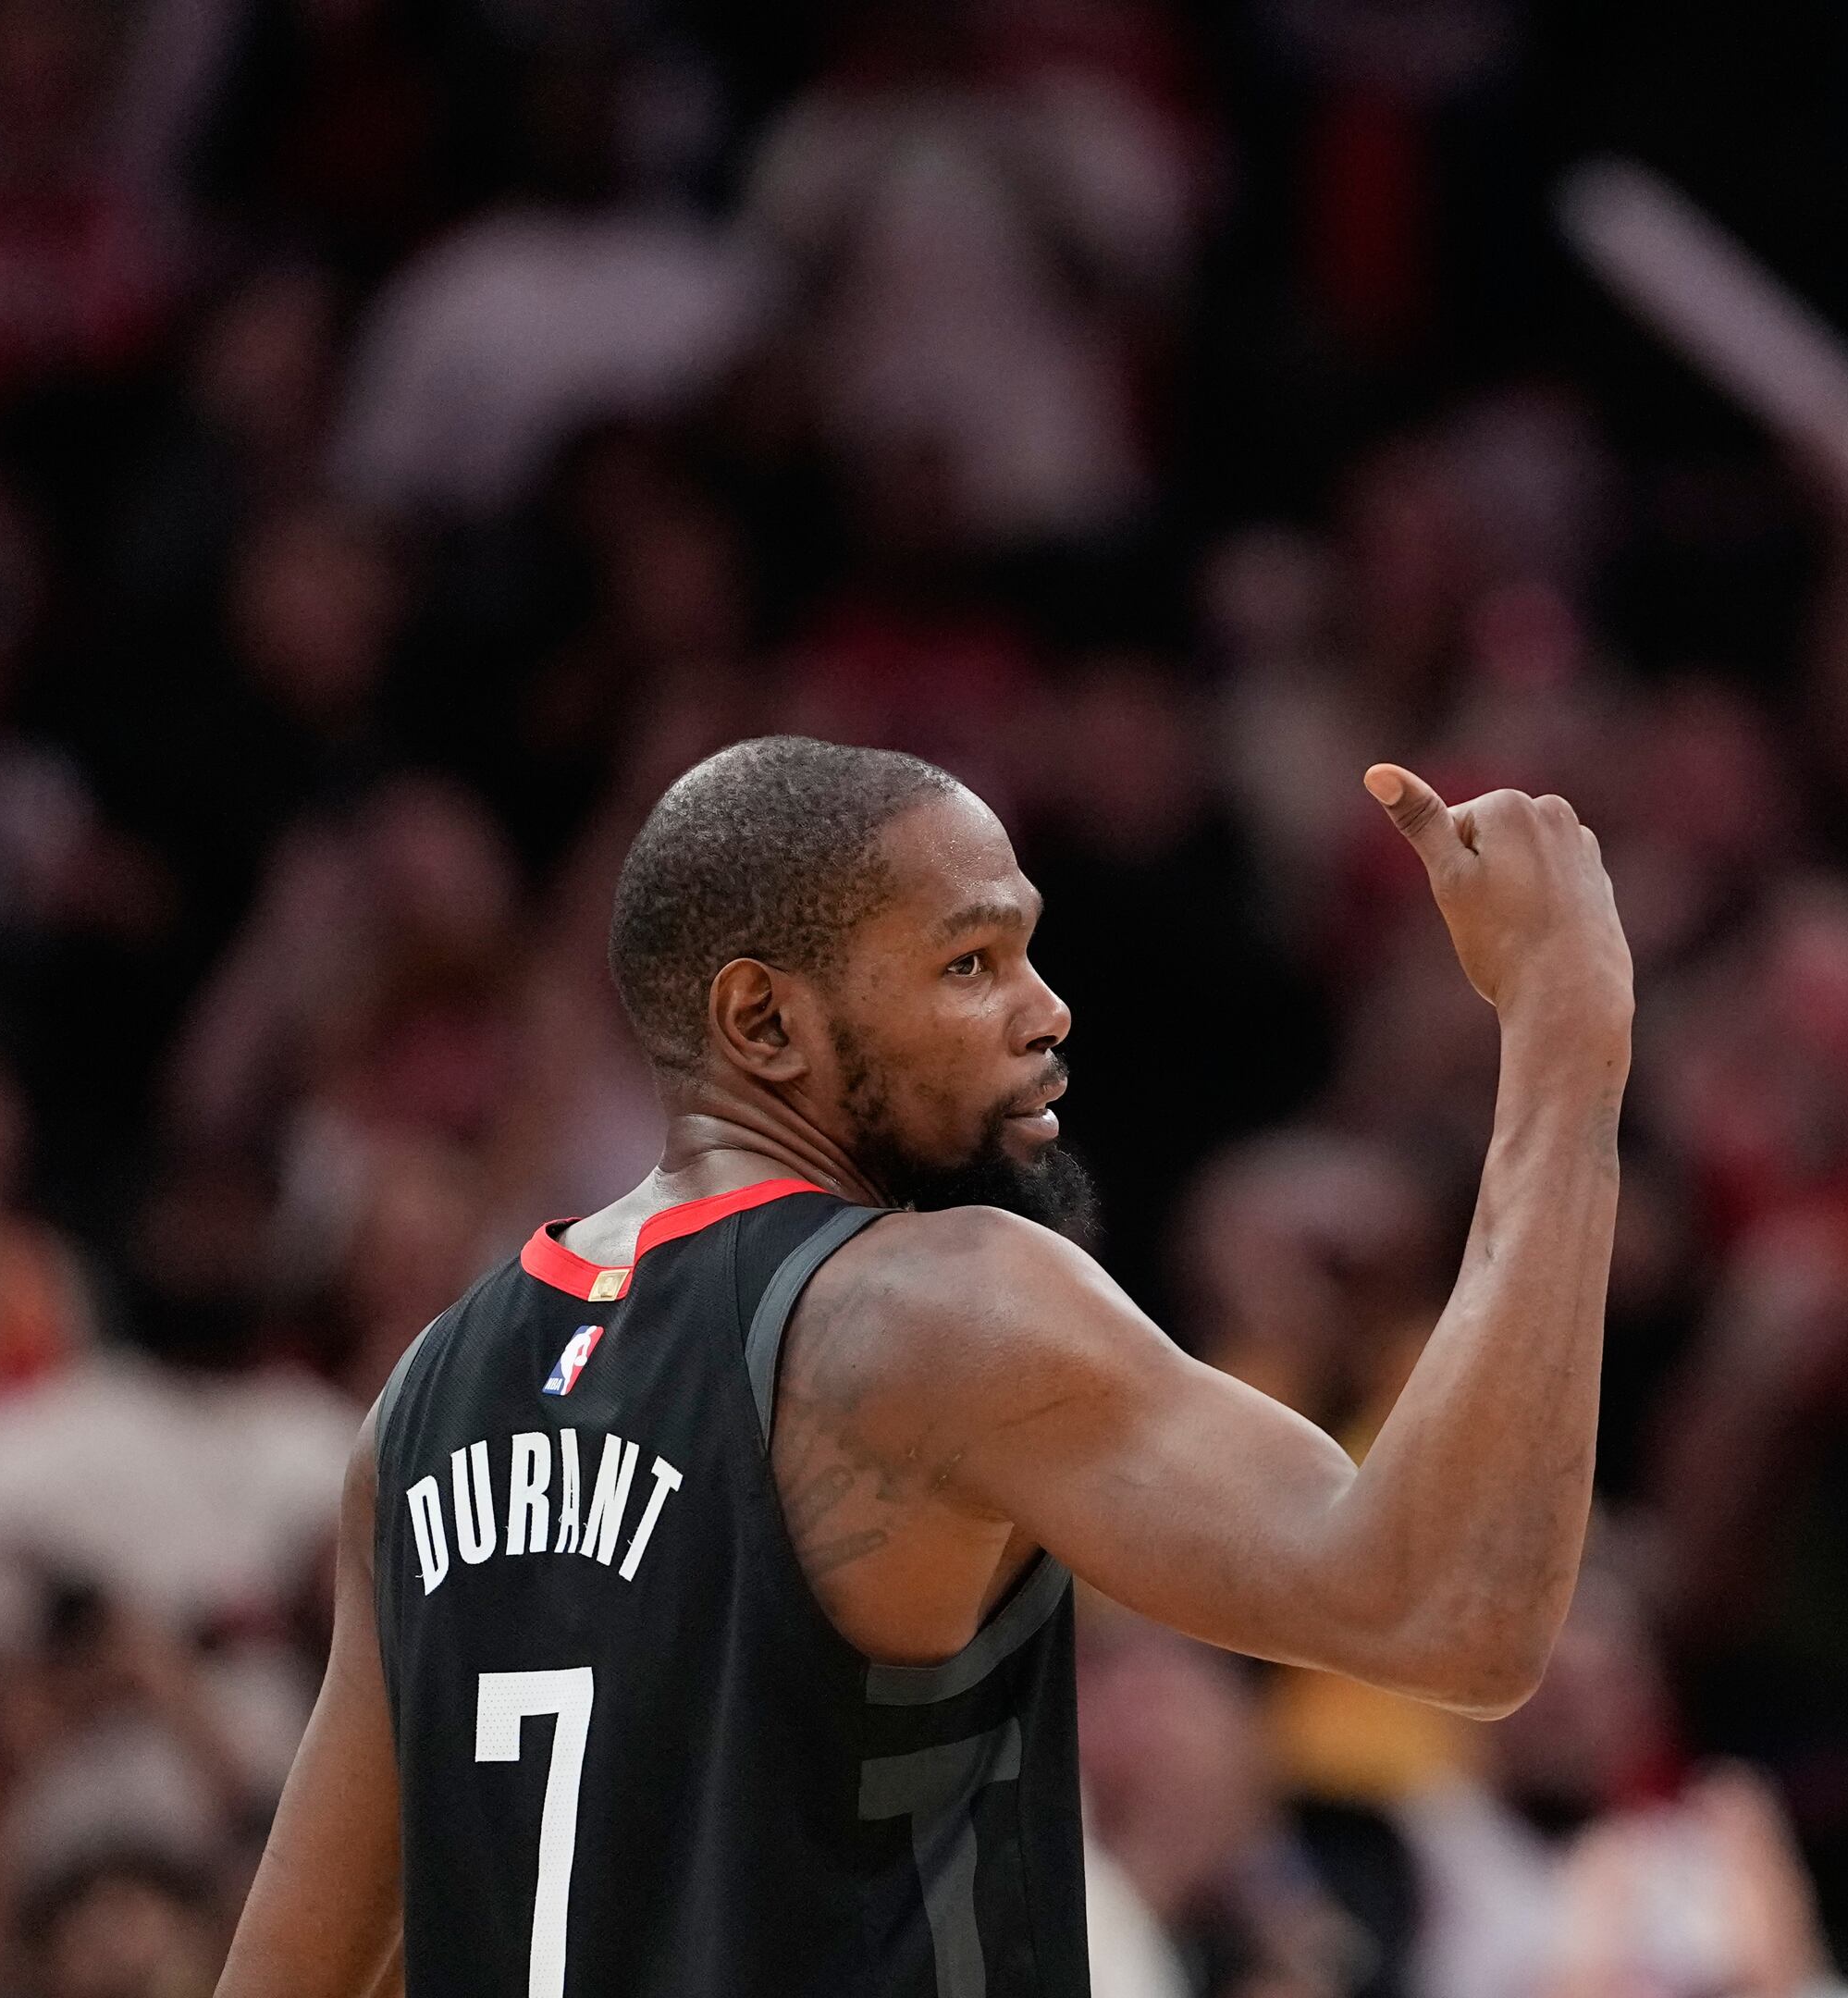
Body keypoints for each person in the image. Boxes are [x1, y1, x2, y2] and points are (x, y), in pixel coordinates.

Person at [217, 734, 1632, 1997]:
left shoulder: (427, 1402)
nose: (1046, 1009)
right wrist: (1563, 1047)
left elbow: (294, 1972)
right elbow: (1453, 1608)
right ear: (763, 1023)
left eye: (1027, 950)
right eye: (971, 963)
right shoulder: (927, 1307)